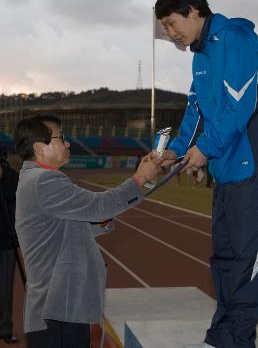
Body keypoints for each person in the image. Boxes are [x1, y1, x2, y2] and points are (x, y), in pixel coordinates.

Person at [155, 0, 258, 348]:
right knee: (224, 259)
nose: (171, 33)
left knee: (247, 264)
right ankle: (222, 336)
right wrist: (176, 149)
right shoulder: (200, 55)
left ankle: (236, 339)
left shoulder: (235, 38)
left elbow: (241, 105)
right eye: (165, 27)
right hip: (225, 172)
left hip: (254, 169)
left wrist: (205, 147)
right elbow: (196, 109)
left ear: (193, 10)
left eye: (172, 23)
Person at [14, 114, 161, 348]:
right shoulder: (44, 181)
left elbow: (61, 228)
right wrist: (140, 178)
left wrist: (98, 220)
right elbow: (98, 205)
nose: (68, 143)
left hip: (61, 309)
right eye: (61, 137)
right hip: (58, 312)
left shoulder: (36, 179)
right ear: (40, 148)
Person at [0, 153, 19, 344]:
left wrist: (4, 175)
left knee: (5, 288)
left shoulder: (10, 177)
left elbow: (15, 194)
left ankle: (4, 328)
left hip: (6, 241)